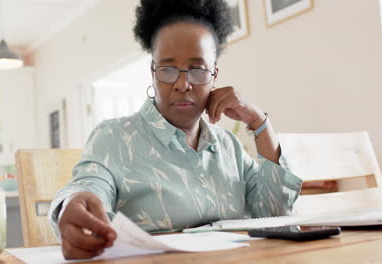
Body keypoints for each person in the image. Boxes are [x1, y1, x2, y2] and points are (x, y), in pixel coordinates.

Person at [48, 0, 303, 259]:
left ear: (214, 75)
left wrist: (259, 122)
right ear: (152, 73)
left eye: (197, 69)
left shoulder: (228, 146)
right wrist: (73, 202)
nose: (182, 84)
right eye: (168, 69)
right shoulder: (114, 137)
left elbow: (276, 215)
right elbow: (89, 185)